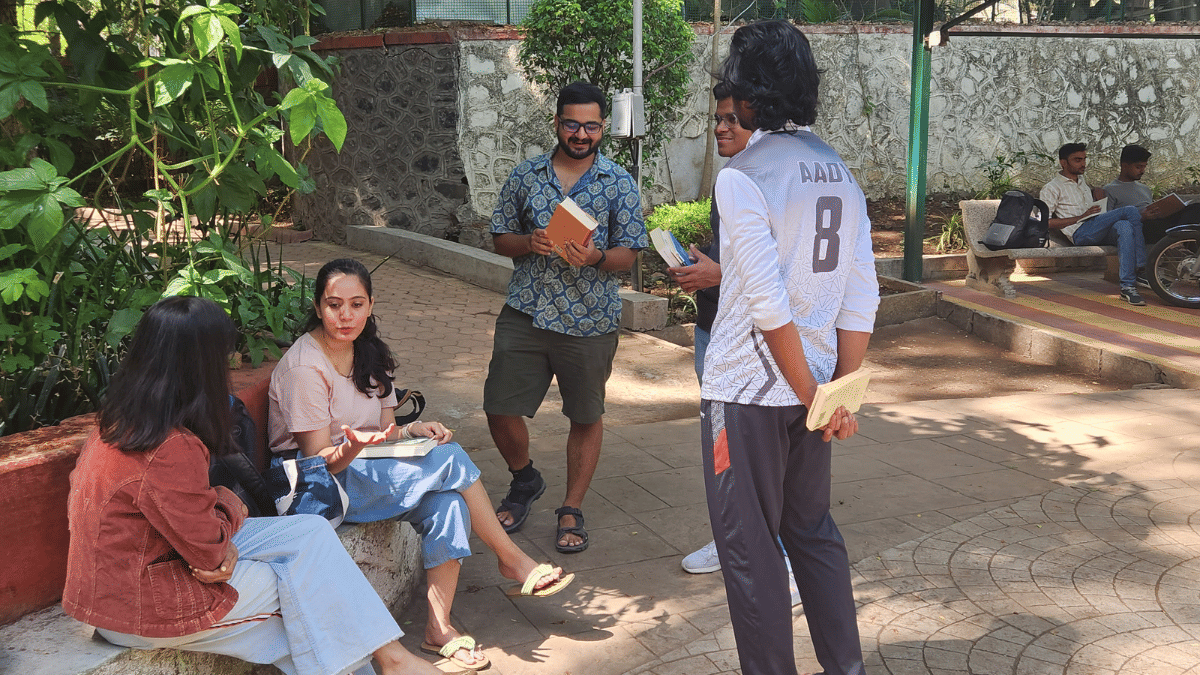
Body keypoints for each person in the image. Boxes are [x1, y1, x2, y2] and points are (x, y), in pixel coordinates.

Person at [62, 296, 456, 675]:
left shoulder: (120, 421)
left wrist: (219, 512)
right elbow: (211, 555)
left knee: (311, 535)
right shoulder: (169, 446)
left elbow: (194, 522)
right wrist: (228, 505)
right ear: (201, 365)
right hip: (139, 604)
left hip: (126, 582)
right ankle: (395, 661)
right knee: (310, 596)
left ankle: (393, 661)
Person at [269, 258, 573, 672]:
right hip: (320, 485)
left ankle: (438, 629)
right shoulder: (305, 367)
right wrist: (355, 446)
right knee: (450, 458)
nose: (345, 316)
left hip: (363, 467)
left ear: (371, 305)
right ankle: (511, 558)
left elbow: (383, 431)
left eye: (356, 305)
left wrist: (413, 430)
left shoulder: (368, 353)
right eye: (334, 305)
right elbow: (318, 462)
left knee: (449, 503)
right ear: (318, 307)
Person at [703, 20, 878, 675]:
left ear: (747, 92)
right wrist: (836, 397)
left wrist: (814, 397)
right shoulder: (840, 172)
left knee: (751, 552)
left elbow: (767, 301)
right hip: (816, 388)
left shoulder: (743, 175)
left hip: (744, 393)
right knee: (812, 531)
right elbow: (862, 294)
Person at [485, 80, 648, 553]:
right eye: (572, 124)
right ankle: (524, 479)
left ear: (603, 128)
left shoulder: (618, 182)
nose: (581, 134)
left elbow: (629, 253)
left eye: (591, 126)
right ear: (557, 122)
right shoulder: (526, 175)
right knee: (498, 405)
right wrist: (528, 242)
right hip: (527, 311)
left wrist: (596, 258)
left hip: (589, 319)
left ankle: (571, 507)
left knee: (585, 414)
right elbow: (500, 237)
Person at [667, 85, 799, 607]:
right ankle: (731, 540)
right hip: (714, 334)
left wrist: (718, 272)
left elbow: (785, 273)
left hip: (759, 347)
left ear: (760, 127)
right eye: (717, 118)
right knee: (724, 453)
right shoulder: (732, 178)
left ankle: (782, 562)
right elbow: (741, 256)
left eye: (732, 120)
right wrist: (705, 265)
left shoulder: (775, 181)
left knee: (764, 459)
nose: (721, 128)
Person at [1039, 142, 1148, 306]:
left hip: (1096, 228)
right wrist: (1080, 217)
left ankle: (1128, 287)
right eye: (1077, 160)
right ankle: (1141, 267)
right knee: (1130, 211)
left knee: (1124, 226)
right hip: (1080, 234)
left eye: (1084, 159)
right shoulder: (1052, 188)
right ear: (1063, 162)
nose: (1083, 163)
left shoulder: (1082, 182)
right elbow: (1044, 222)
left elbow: (1089, 208)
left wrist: (1096, 194)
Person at [1103, 143, 1200, 247]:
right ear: (1124, 166)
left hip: (1158, 222)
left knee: (1196, 207)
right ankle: (1183, 241)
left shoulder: (1145, 188)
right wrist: (1140, 217)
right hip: (1139, 226)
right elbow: (1106, 223)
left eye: (1144, 167)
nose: (1142, 171)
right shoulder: (1110, 190)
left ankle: (1186, 242)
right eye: (1138, 167)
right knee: (1152, 225)